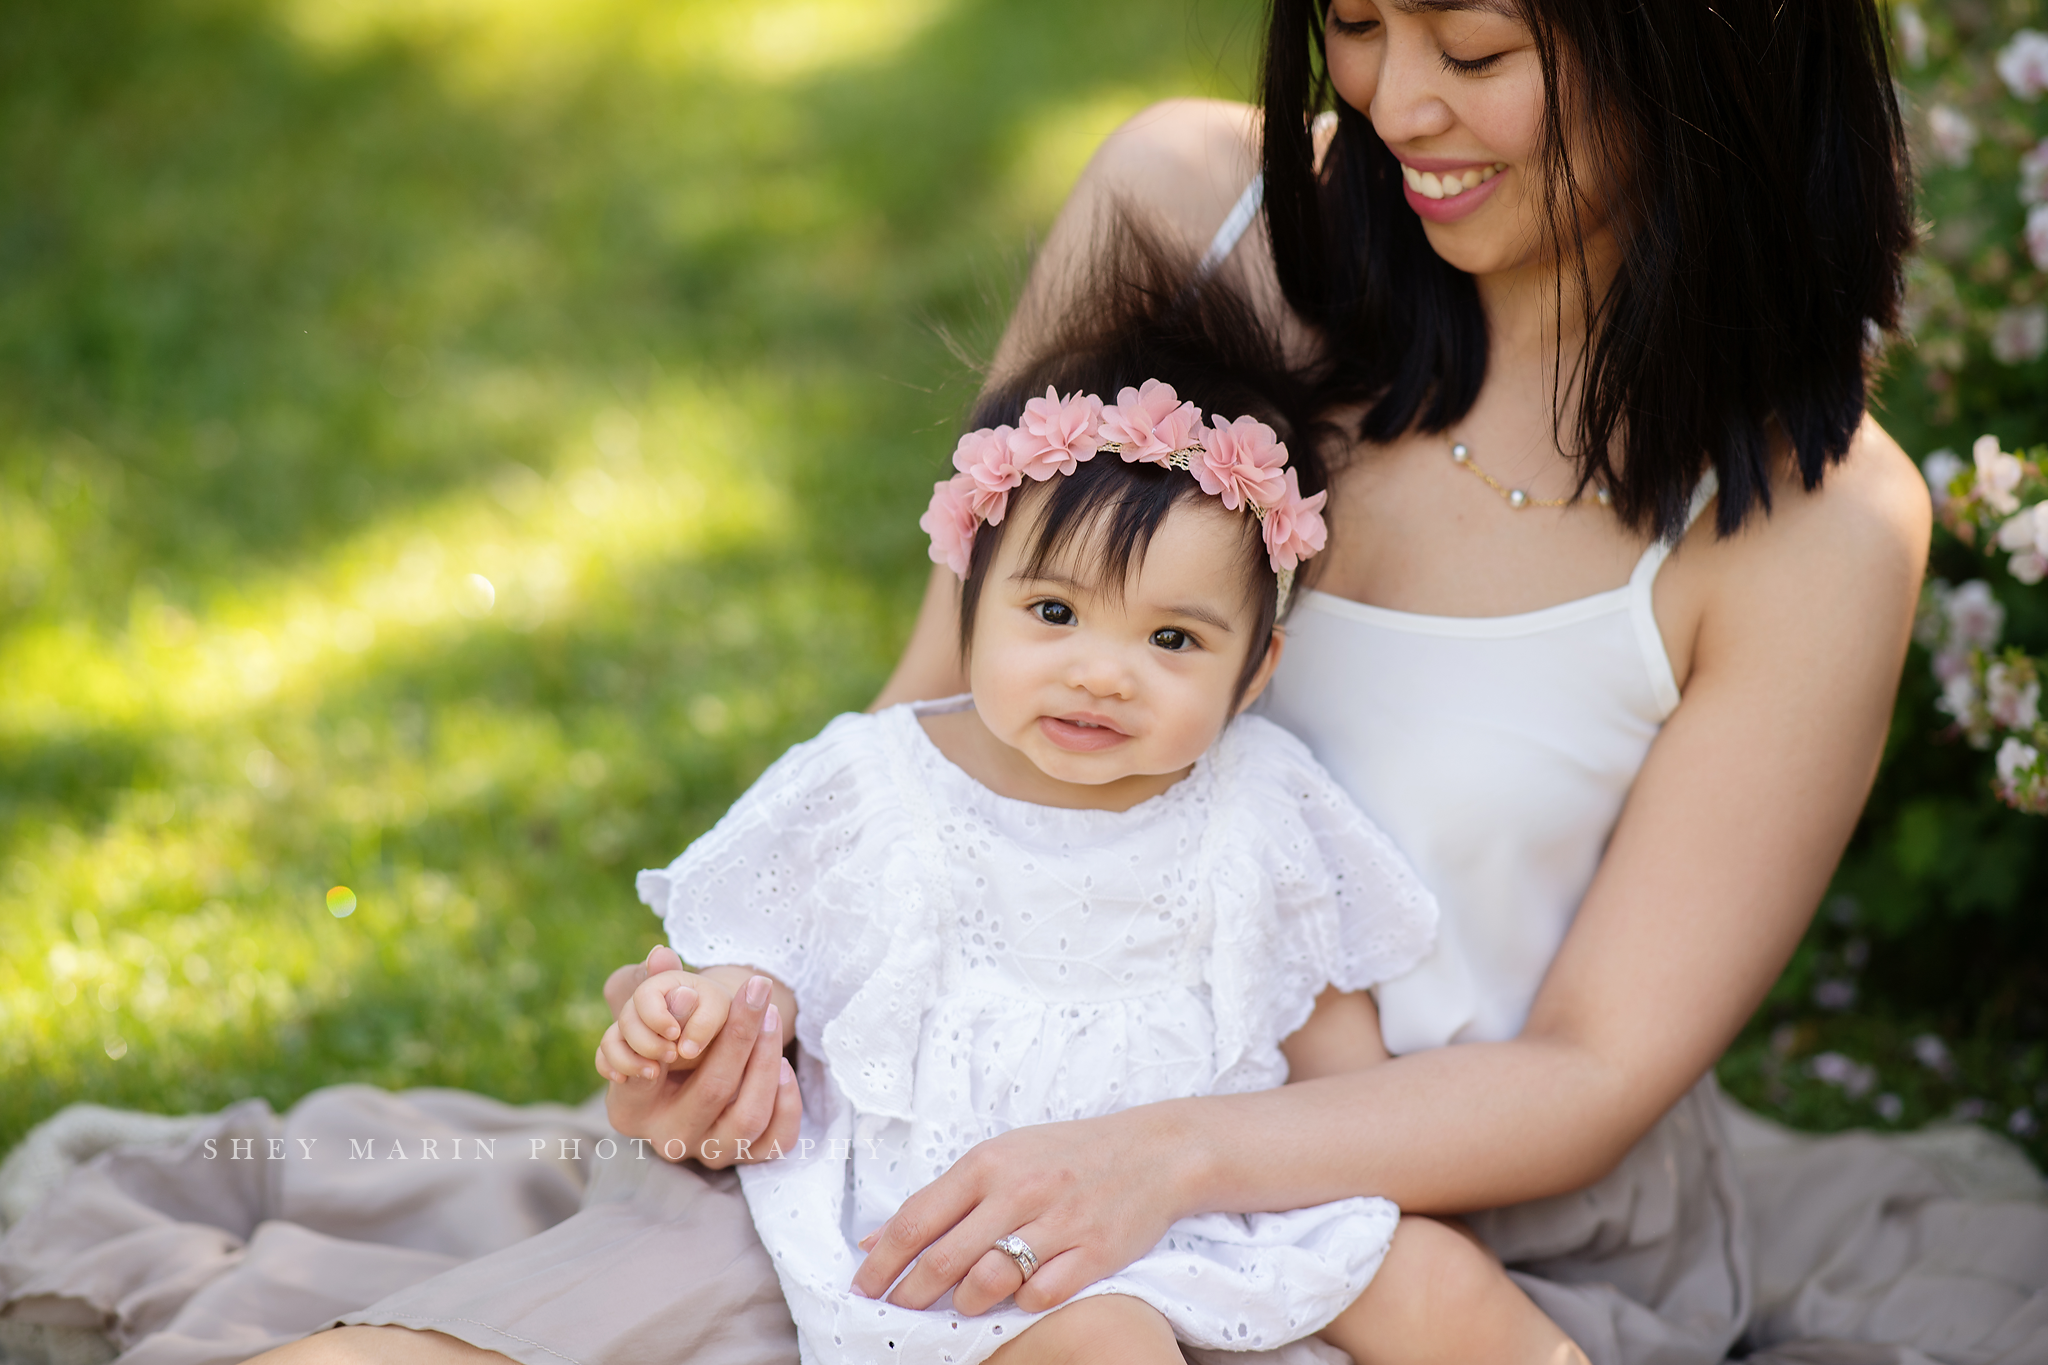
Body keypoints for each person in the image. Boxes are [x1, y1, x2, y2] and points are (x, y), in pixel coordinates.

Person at [48, 0, 2037, 1362]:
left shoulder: (1803, 520)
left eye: (1480, 47)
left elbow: (1590, 1074)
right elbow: (932, 724)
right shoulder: (1194, 208)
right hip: (962, 1095)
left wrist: (1163, 1157)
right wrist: (747, 1005)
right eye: (1352, 23)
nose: (1396, 100)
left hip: (1418, 1209)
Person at [596, 251, 1527, 1361]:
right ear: (971, 602)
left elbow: (1334, 1059)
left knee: (1436, 1278)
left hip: (1216, 1212)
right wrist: (700, 1014)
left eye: (1171, 638)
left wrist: (1370, 1201)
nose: (1101, 672)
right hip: (969, 1247)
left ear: (1259, 666)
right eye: (1052, 611)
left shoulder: (1261, 805)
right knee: (1107, 1343)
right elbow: (765, 979)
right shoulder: (873, 787)